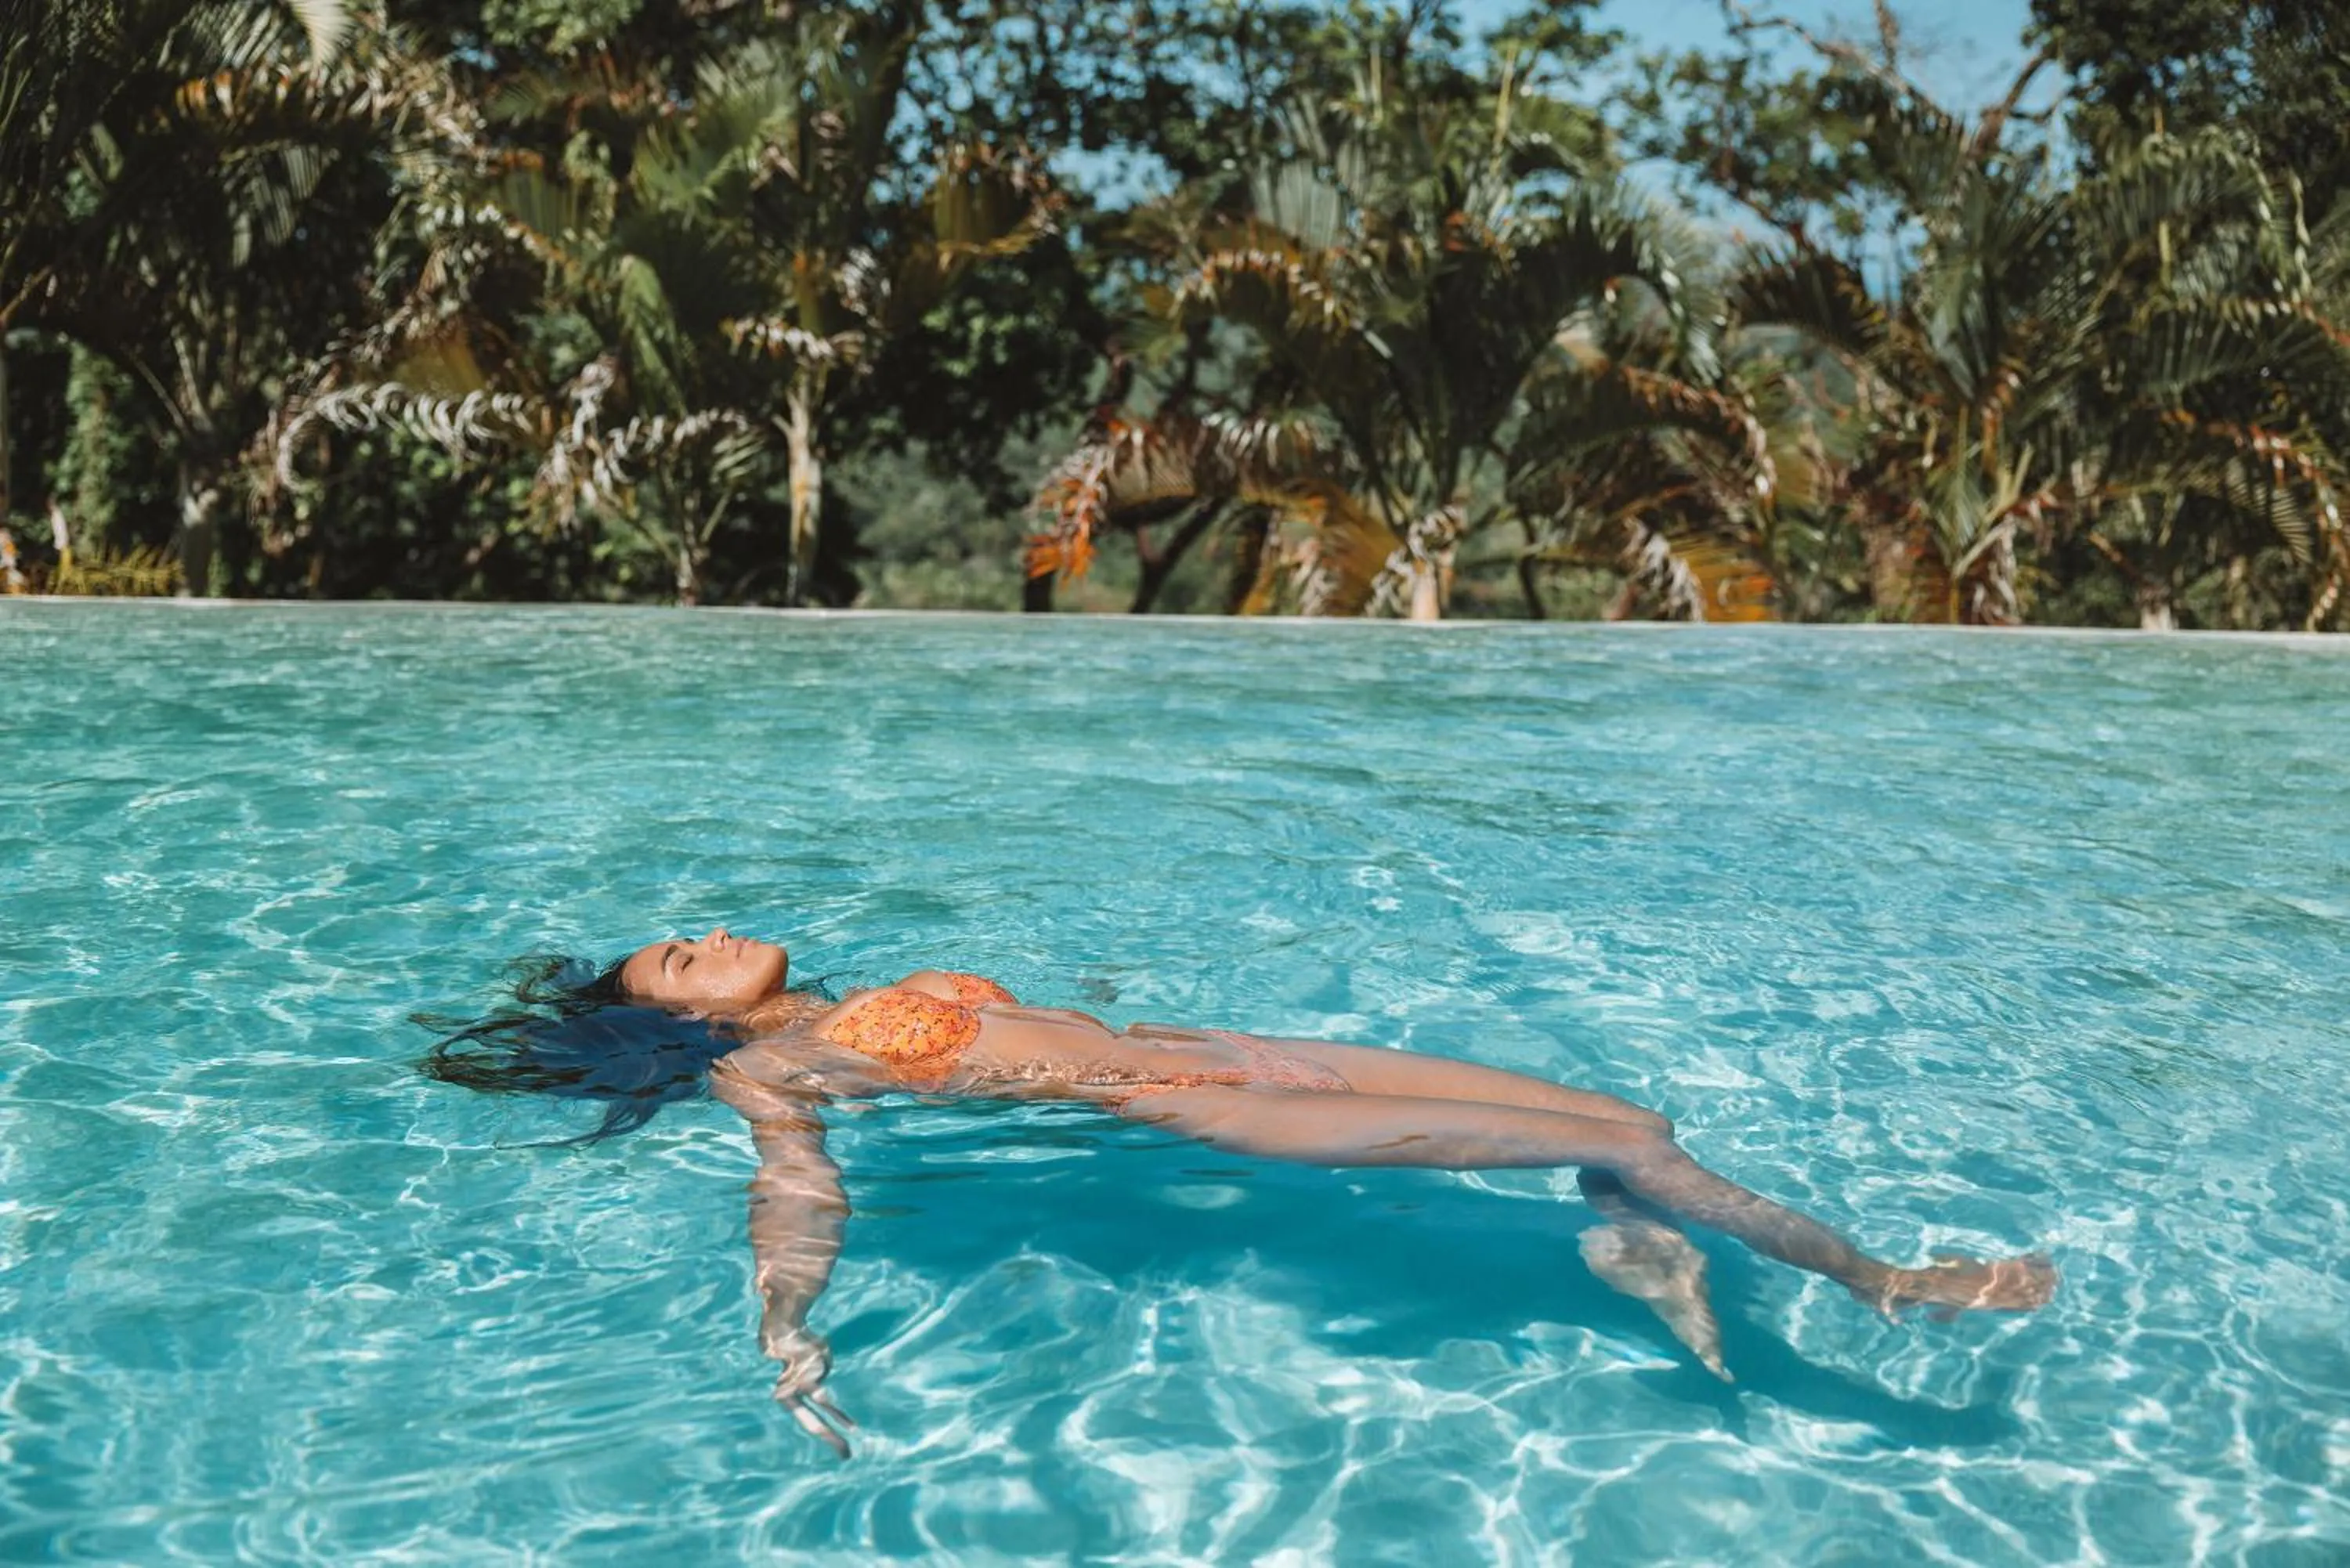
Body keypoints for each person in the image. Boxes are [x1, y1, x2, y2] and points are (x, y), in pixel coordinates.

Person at [425, 927, 2057, 1454]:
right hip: (1199, 1103)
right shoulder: (765, 1068)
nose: (714, 933)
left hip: (1218, 1046)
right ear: (676, 1020)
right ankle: (1881, 1285)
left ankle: (1629, 1249)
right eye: (681, 956)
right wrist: (788, 1323)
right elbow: (796, 1189)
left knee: (1634, 1118)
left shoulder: (839, 996)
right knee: (1635, 1138)